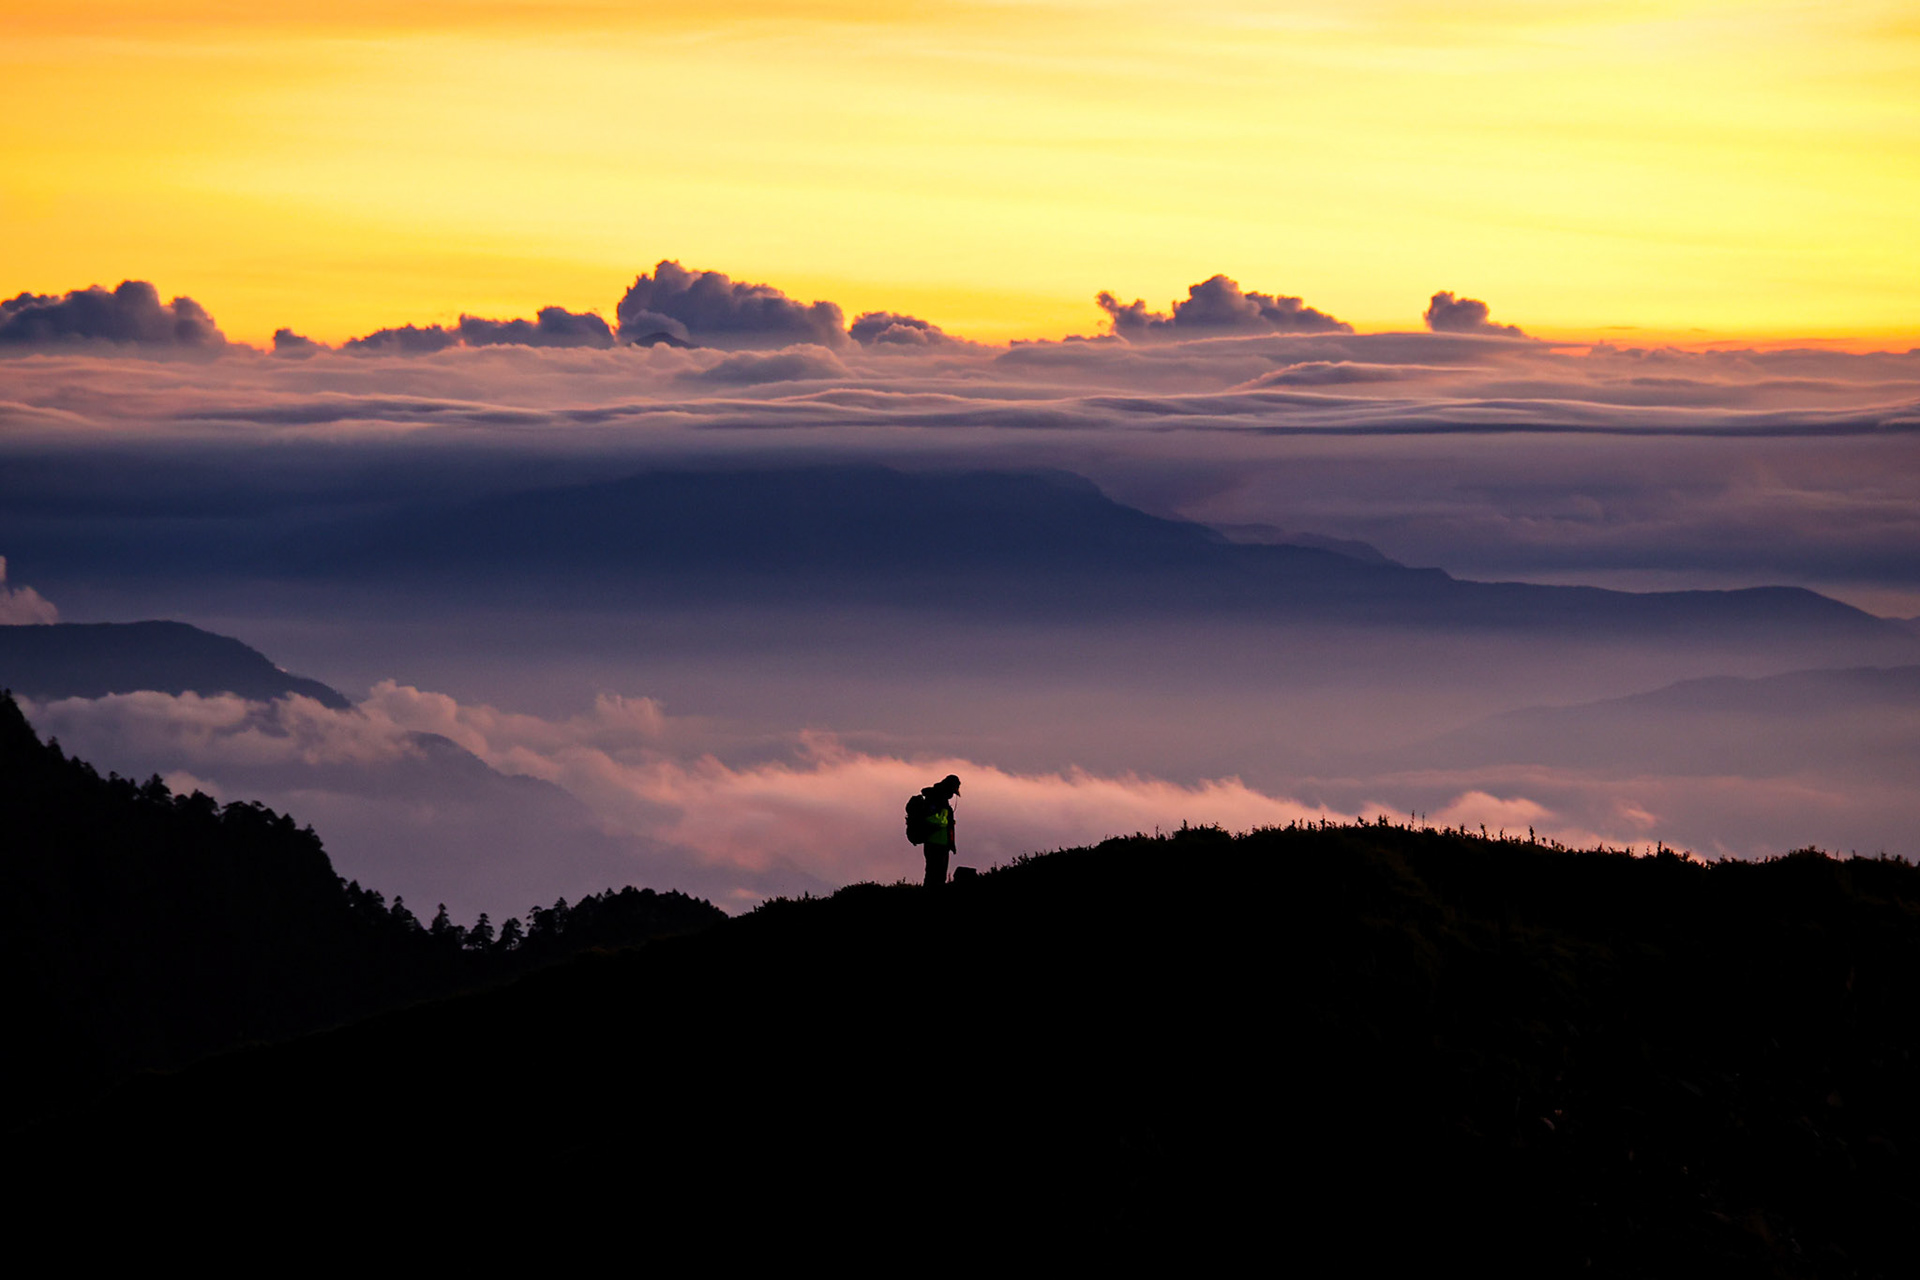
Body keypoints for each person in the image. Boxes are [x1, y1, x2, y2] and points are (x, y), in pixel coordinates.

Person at [918, 774, 961, 889]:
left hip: (941, 844)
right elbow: (931, 818)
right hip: (934, 843)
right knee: (934, 876)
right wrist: (945, 820)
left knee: (937, 876)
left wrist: (950, 844)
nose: (953, 795)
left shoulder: (941, 798)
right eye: (953, 791)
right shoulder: (935, 798)